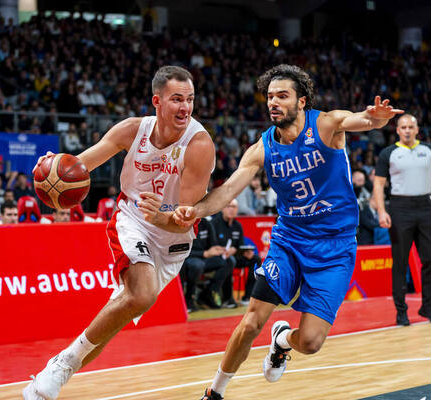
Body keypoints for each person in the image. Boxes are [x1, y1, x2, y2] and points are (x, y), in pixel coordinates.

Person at [170, 64, 403, 400]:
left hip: (335, 248)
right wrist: (197, 210)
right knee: (251, 322)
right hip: (289, 241)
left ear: (302, 101)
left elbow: (364, 121)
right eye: (269, 97)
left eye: (282, 95)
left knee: (310, 342)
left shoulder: (326, 125)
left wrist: (377, 117)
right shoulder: (262, 148)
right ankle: (215, 392)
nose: (273, 102)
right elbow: (228, 189)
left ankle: (281, 341)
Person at [23, 65, 215, 400]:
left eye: (190, 99)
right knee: (142, 295)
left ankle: (58, 368)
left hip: (174, 235)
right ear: (157, 101)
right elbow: (78, 166)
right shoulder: (131, 130)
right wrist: (53, 169)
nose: (185, 107)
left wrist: (164, 215)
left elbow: (185, 216)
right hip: (133, 220)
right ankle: (58, 369)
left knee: (118, 316)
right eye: (176, 99)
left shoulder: (199, 145)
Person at [372, 114, 431, 327]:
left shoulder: (430, 150)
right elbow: (378, 185)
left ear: (417, 129)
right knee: (400, 262)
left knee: (430, 260)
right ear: (397, 130)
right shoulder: (388, 153)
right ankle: (401, 312)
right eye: (403, 127)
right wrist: (381, 211)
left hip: (425, 206)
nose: (407, 130)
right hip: (399, 208)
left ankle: (428, 307)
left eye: (410, 127)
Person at [182, 217, 228, 312]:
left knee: (228, 261)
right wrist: (204, 253)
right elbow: (181, 250)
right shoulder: (184, 223)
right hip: (188, 258)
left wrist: (218, 249)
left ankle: (207, 294)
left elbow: (212, 244)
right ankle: (188, 297)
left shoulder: (206, 223)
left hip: (204, 258)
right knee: (197, 265)